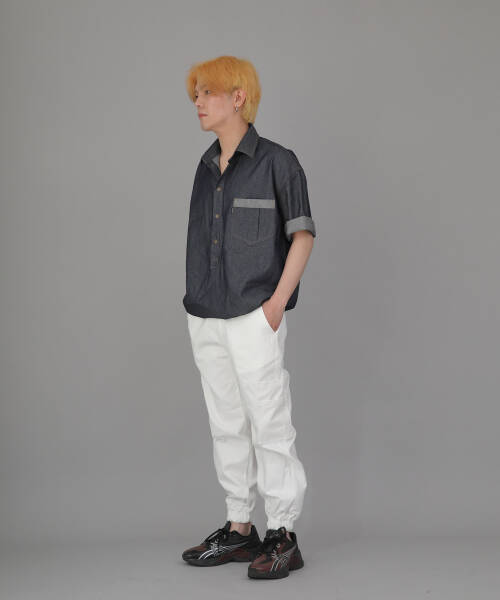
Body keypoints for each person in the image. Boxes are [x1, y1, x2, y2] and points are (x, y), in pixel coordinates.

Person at [181, 55, 316, 580]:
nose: (198, 102)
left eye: (207, 93)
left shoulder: (279, 163)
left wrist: (275, 305)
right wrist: (197, 303)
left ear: (238, 97)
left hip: (254, 315)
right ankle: (240, 528)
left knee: (269, 423)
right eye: (196, 94)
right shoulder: (204, 167)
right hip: (207, 314)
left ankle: (283, 534)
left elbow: (302, 235)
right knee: (226, 424)